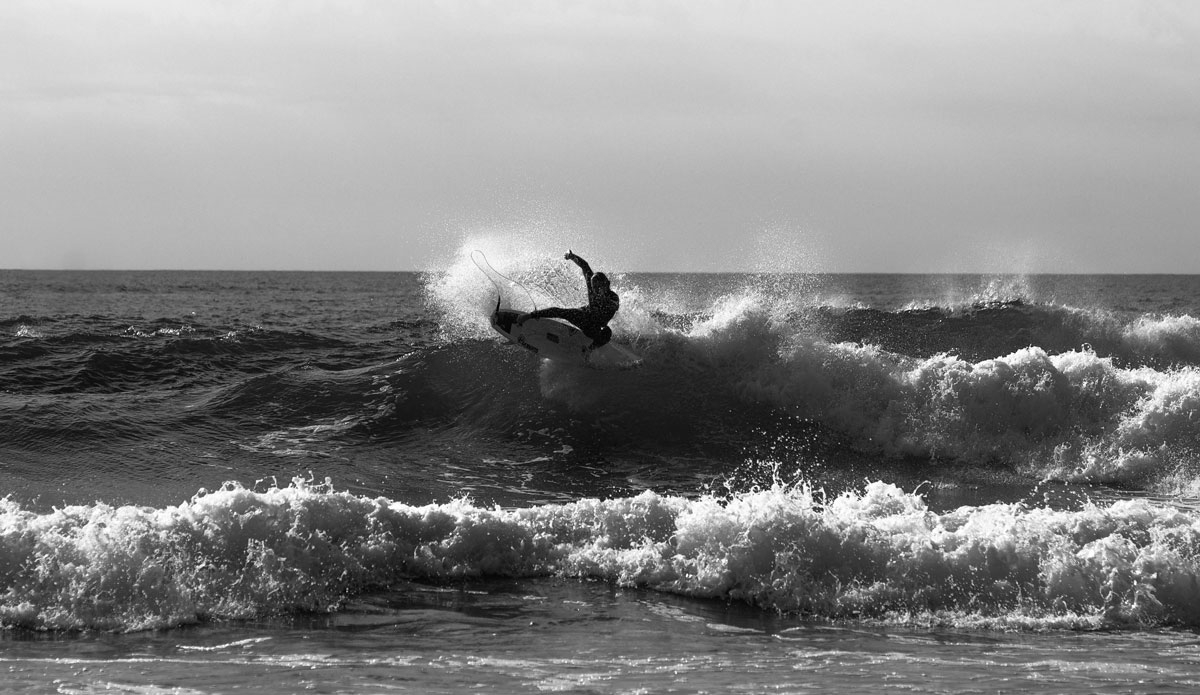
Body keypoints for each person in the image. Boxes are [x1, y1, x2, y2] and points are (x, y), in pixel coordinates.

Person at [519, 250, 619, 347]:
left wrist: (603, 299)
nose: (596, 290)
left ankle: (590, 349)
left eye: (599, 287)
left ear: (606, 284)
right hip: (583, 317)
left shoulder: (613, 298)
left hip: (594, 328)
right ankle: (529, 316)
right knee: (562, 312)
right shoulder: (592, 284)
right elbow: (585, 265)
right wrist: (572, 256)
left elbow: (612, 306)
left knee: (607, 332)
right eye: (594, 287)